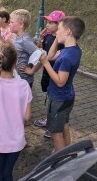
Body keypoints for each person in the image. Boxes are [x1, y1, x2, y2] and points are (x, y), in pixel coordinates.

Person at [0, 42, 32, 181]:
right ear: (15, 63)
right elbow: (27, 116)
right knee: (7, 173)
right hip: (16, 140)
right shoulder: (24, 85)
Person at [39, 16, 85, 152]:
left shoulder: (66, 57)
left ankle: (61, 159)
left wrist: (46, 65)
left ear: (68, 32)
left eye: (59, 29)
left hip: (59, 98)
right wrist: (57, 40)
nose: (56, 32)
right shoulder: (73, 49)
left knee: (55, 132)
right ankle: (67, 151)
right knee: (64, 125)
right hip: (66, 97)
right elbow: (51, 55)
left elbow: (60, 81)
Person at [33, 10, 66, 139]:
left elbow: (51, 57)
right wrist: (41, 38)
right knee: (49, 97)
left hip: (56, 73)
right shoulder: (47, 36)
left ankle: (52, 126)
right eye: (47, 21)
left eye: (51, 22)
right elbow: (41, 50)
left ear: (60, 25)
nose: (47, 24)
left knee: (55, 101)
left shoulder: (62, 42)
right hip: (47, 72)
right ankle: (49, 120)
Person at [9, 9, 41, 88]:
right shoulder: (16, 37)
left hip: (24, 81)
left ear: (21, 24)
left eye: (11, 22)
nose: (9, 24)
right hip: (16, 78)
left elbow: (42, 56)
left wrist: (31, 71)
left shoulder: (25, 40)